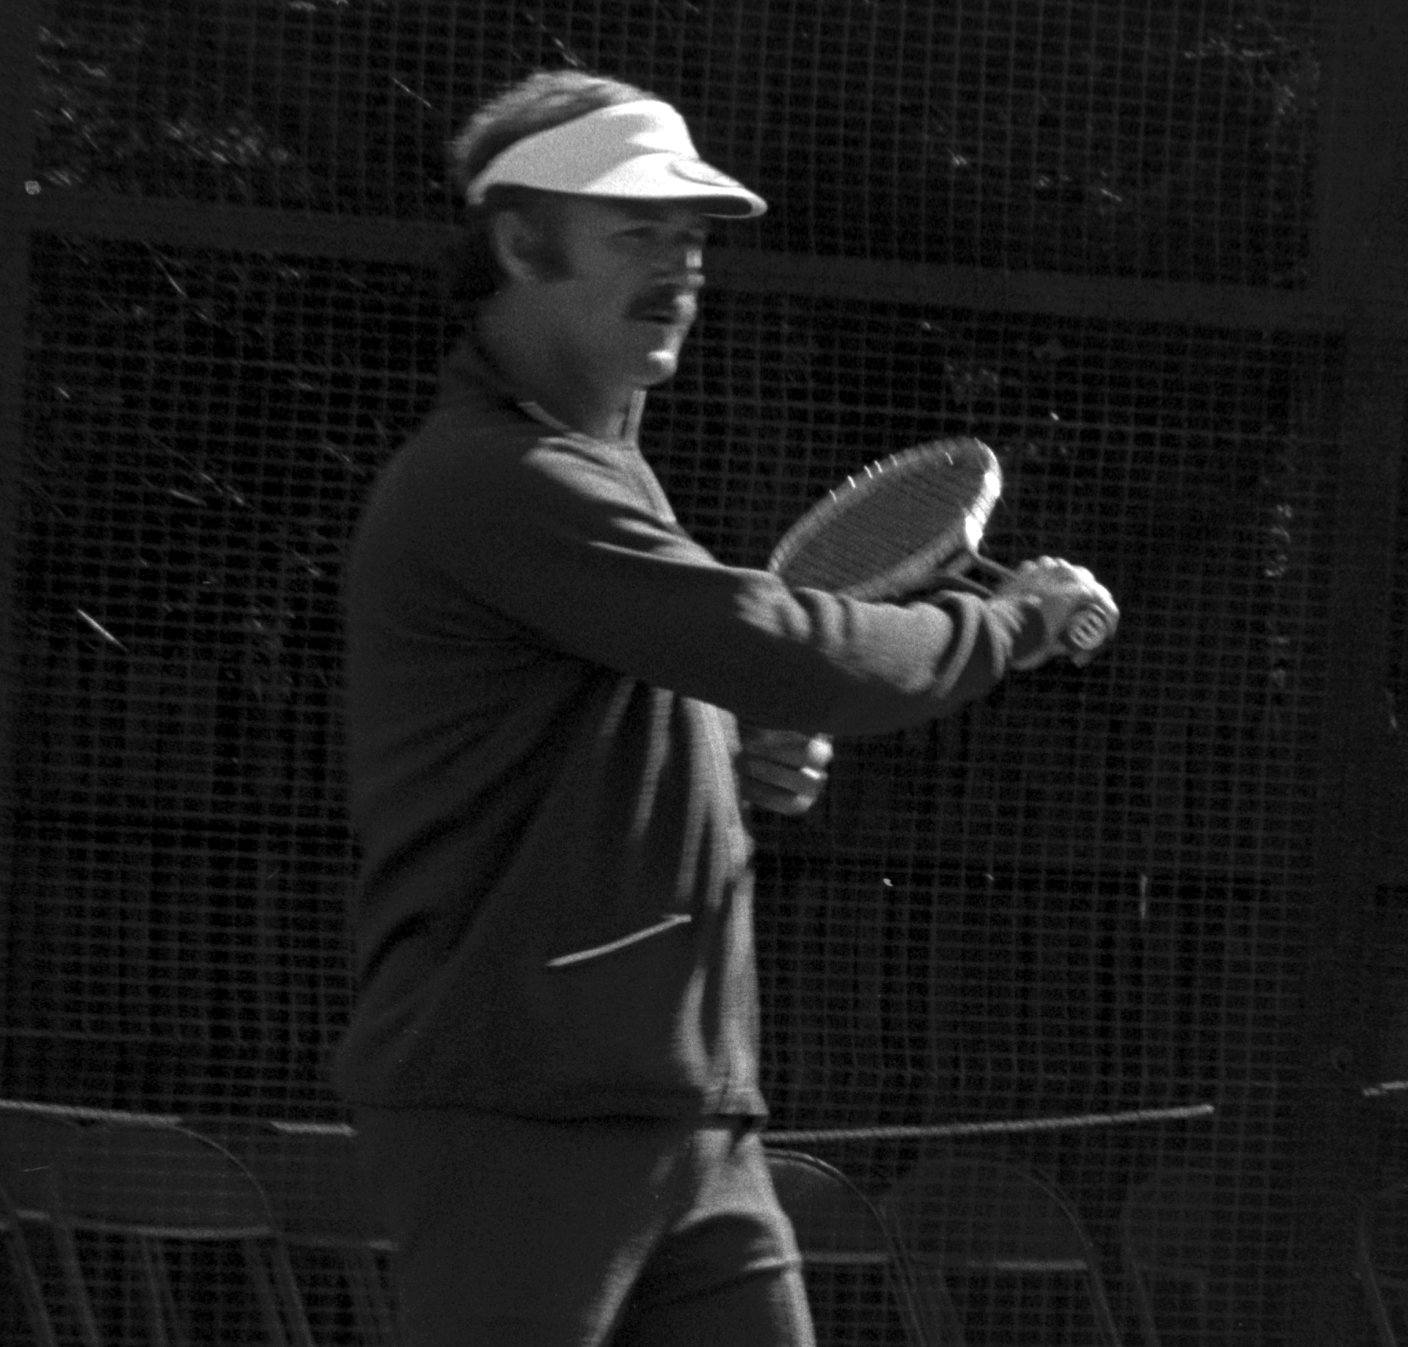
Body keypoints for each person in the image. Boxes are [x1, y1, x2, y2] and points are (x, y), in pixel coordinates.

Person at [335, 68, 1118, 1347]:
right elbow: (778, 646)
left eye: (693, 237)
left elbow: (635, 699)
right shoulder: (493, 477)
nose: (681, 265)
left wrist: (722, 752)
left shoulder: (598, 478)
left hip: (692, 1123)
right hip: (516, 1114)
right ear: (520, 243)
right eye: (636, 232)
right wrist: (1008, 622)